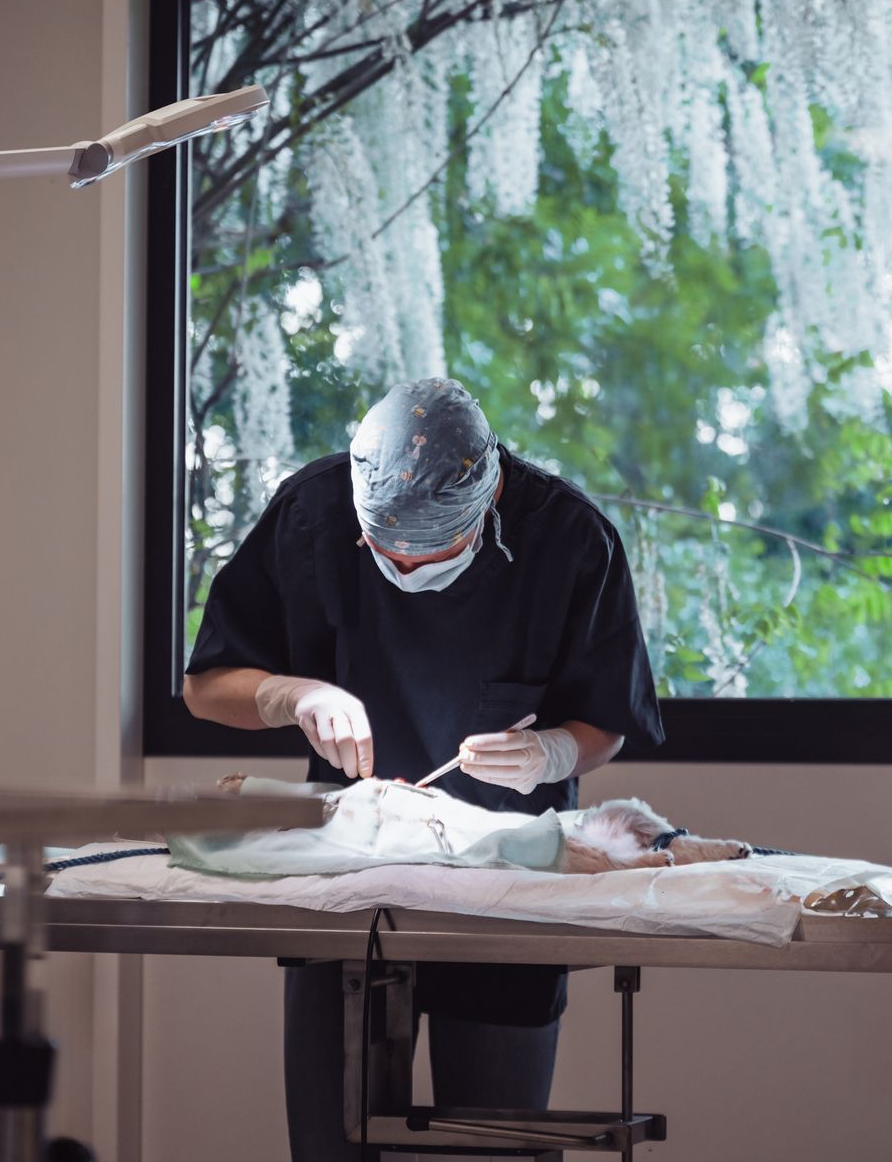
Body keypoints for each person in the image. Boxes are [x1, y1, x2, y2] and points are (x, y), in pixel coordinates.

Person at [182, 376, 664, 1159]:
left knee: (495, 1141)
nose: (407, 572)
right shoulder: (312, 512)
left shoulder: (572, 541)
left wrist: (554, 752)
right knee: (330, 1139)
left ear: (488, 505)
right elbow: (206, 687)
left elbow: (609, 720)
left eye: (431, 555)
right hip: (345, 889)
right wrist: (289, 694)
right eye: (385, 555)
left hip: (508, 891)